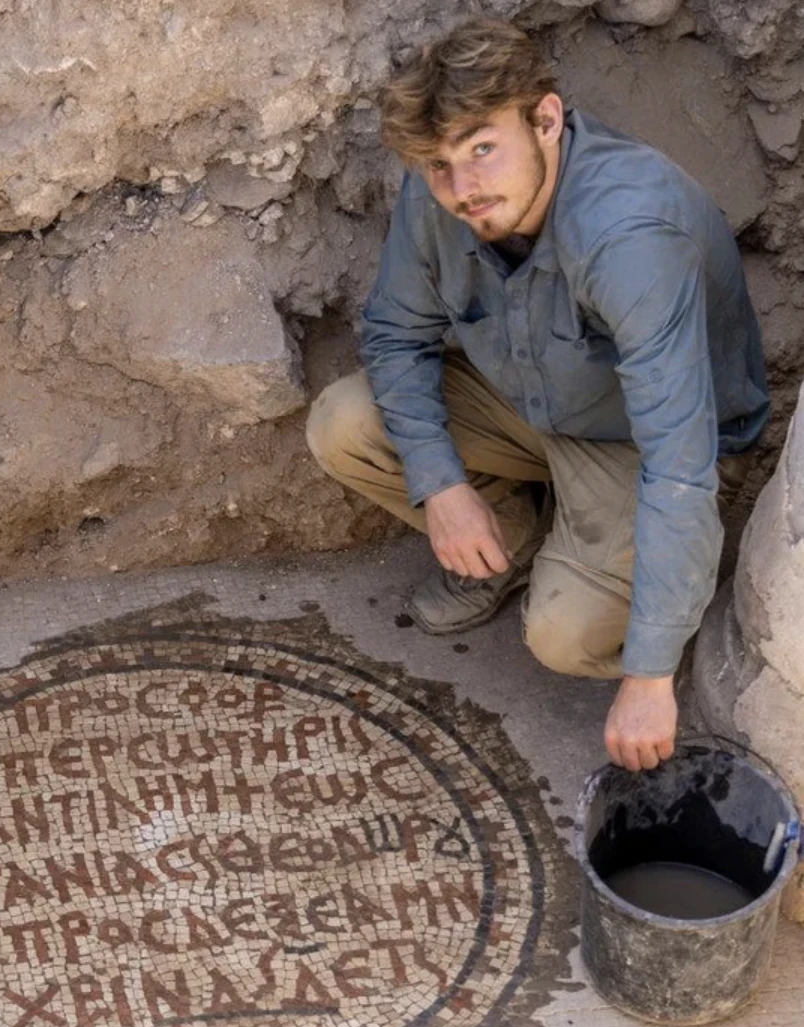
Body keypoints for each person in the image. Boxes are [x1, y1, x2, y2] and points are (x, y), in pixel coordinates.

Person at [305, 18, 769, 773]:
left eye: (483, 148)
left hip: (642, 446)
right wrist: (444, 486)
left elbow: (680, 465)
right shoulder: (443, 193)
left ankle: (658, 608)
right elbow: (395, 337)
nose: (463, 189)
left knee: (564, 633)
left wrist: (649, 677)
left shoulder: (628, 237)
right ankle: (511, 543)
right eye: (439, 164)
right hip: (527, 400)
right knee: (345, 425)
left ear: (546, 120)